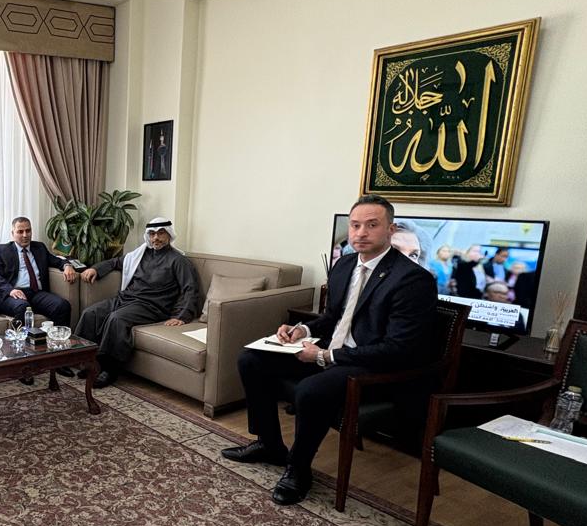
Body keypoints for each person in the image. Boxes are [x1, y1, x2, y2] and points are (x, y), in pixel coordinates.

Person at [223, 195, 437, 505]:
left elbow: (398, 349)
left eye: (372, 225)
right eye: (355, 225)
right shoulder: (345, 264)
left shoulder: (412, 279)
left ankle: (298, 469)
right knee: (251, 359)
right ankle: (270, 445)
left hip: (372, 366)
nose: (361, 233)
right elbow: (333, 317)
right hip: (332, 353)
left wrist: (325, 356)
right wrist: (302, 330)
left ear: (390, 230)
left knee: (311, 391)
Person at [75, 217, 200, 389]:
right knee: (90, 313)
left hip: (152, 306)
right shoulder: (140, 255)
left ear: (169, 235)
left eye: (161, 233)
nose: (156, 238)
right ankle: (88, 362)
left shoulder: (178, 260)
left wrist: (182, 316)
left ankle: (109, 369)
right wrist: (95, 268)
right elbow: (115, 262)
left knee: (116, 319)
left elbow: (190, 289)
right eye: (152, 234)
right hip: (126, 299)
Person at [0, 216, 78, 327]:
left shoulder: (39, 248)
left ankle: (56, 336)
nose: (25, 235)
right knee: (22, 307)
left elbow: (57, 261)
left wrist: (67, 265)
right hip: (10, 295)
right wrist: (11, 290)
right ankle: (20, 338)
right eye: (20, 232)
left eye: (28, 231)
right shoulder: (1, 250)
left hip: (36, 293)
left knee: (62, 305)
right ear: (13, 233)